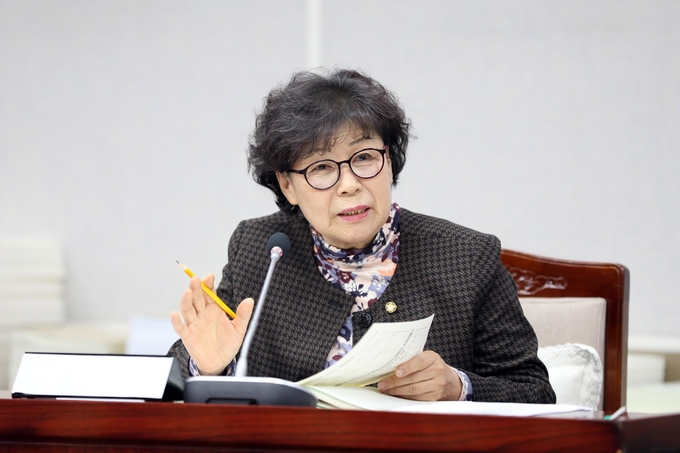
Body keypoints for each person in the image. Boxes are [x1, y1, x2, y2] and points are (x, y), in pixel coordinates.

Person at [168, 69, 556, 403]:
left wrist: (458, 386)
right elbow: (176, 376)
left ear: (390, 161)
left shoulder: (467, 256)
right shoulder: (262, 248)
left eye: (364, 158)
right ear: (287, 185)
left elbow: (534, 390)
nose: (350, 184)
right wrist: (209, 366)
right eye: (322, 167)